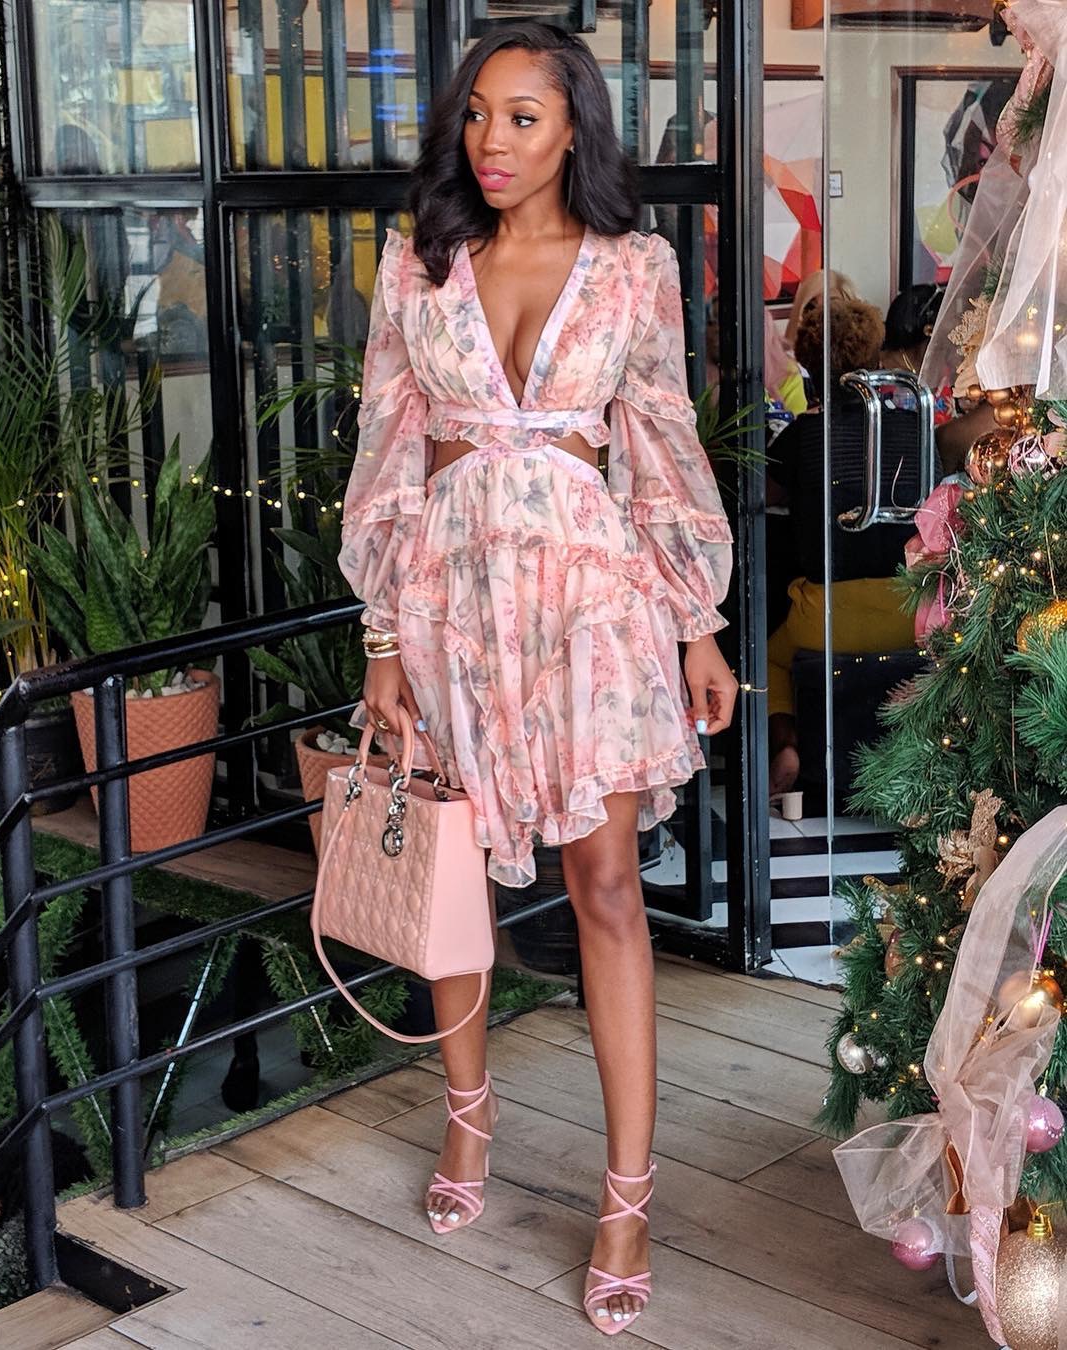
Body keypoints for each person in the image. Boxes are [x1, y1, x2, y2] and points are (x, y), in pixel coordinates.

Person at [336, 22, 736, 1337]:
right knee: (453, 874)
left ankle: (626, 1197)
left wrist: (697, 624)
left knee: (607, 886)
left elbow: (662, 443)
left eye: (522, 117)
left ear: (575, 130)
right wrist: (382, 640)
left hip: (590, 606)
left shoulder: (634, 269)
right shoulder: (420, 266)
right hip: (450, 603)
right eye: (477, 115)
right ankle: (469, 1116)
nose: (491, 142)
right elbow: (388, 451)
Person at [766, 296, 930, 796]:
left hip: (826, 617)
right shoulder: (915, 427)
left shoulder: (801, 436)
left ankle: (787, 741)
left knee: (767, 659)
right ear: (876, 353)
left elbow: (764, 496)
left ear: (807, 361)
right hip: (910, 611)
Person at [879, 282, 997, 473]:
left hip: (937, 468)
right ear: (930, 330)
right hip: (894, 467)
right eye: (951, 319)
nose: (959, 325)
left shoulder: (944, 367)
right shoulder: (881, 369)